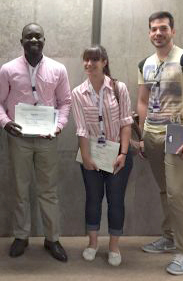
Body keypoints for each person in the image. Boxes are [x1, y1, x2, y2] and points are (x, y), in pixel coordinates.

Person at [0, 23, 71, 262]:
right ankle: (21, 236)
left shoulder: (58, 69)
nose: (33, 39)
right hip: (19, 139)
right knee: (20, 189)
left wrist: (59, 126)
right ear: (21, 41)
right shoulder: (8, 69)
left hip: (47, 139)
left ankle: (52, 238)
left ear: (44, 40)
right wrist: (5, 123)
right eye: (29, 36)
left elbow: (65, 102)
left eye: (38, 36)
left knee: (49, 190)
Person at [137, 11, 183, 275]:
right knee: (166, 190)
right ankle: (168, 237)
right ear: (149, 32)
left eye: (163, 28)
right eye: (153, 29)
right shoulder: (145, 63)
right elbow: (142, 101)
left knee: (179, 194)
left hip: (180, 135)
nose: (158, 33)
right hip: (152, 135)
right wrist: (143, 136)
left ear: (173, 31)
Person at [72, 45, 133, 266]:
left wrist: (124, 153)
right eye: (86, 60)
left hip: (118, 153)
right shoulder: (78, 92)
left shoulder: (119, 88)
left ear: (104, 62)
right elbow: (80, 128)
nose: (89, 64)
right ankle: (92, 243)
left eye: (94, 60)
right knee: (93, 199)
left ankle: (114, 246)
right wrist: (86, 157)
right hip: (92, 152)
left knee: (116, 200)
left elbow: (126, 123)